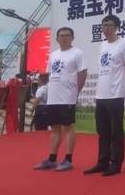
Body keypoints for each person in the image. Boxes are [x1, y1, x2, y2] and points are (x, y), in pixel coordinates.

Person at [84, 14, 125, 176]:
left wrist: (122, 86)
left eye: (109, 25)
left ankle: (116, 163)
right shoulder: (103, 45)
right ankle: (102, 162)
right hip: (101, 94)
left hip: (116, 94)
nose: (105, 28)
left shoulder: (123, 43)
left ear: (116, 27)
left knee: (115, 131)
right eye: (103, 25)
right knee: (102, 131)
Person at [33, 27, 88, 171]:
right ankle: (52, 159)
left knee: (68, 127)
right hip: (53, 97)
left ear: (72, 38)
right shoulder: (53, 55)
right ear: (57, 39)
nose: (64, 38)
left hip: (67, 97)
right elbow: (50, 74)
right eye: (61, 35)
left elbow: (82, 73)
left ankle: (68, 159)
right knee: (55, 128)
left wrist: (76, 91)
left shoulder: (77, 53)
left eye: (67, 35)